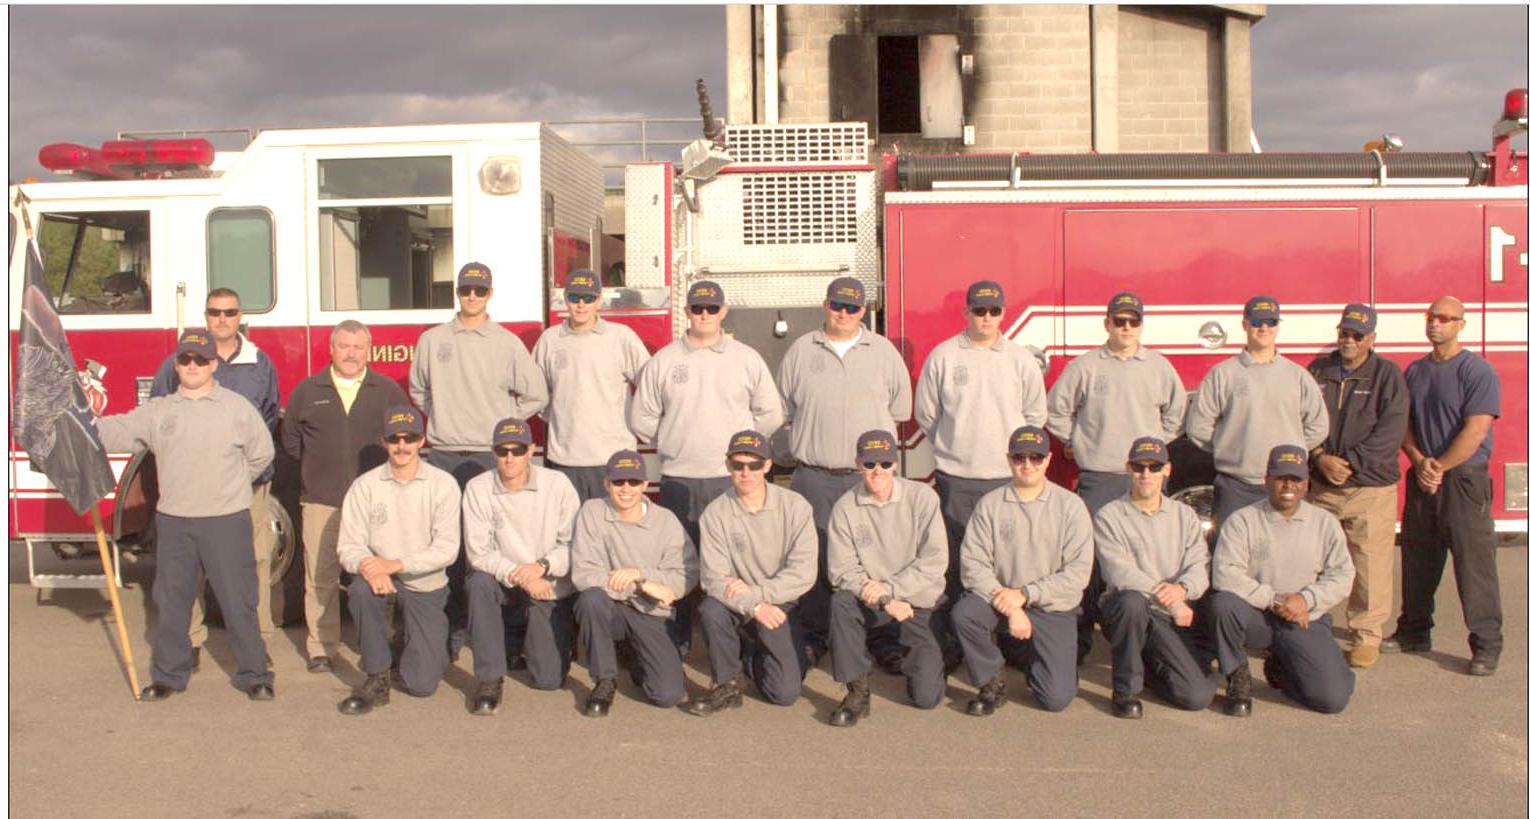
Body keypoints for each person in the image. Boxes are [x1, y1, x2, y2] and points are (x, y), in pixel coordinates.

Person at [98, 329, 275, 701]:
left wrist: (234, 484)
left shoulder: (237, 408)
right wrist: (76, 426)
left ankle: (255, 674)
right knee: (173, 602)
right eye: (185, 359)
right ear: (176, 364)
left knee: (239, 601)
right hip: (176, 521)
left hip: (226, 520)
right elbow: (115, 431)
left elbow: (262, 454)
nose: (192, 366)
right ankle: (168, 676)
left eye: (200, 359)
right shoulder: (159, 410)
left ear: (213, 364)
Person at [631, 280, 783, 653]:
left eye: (711, 309)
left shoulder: (746, 358)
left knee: (735, 564)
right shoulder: (665, 360)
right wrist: (674, 438)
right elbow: (642, 418)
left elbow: (771, 413)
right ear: (686, 312)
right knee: (676, 564)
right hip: (679, 479)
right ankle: (676, 640)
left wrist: (741, 453)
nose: (704, 315)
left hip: (730, 482)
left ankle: (741, 642)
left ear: (723, 312)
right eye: (697, 308)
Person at [409, 261, 549, 658]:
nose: (472, 296)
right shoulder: (433, 340)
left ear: (490, 294)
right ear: (457, 293)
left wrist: (504, 426)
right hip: (444, 458)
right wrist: (446, 416)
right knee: (447, 550)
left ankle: (508, 638)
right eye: (465, 289)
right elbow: (419, 391)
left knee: (501, 547)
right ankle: (450, 636)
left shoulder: (506, 343)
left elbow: (536, 394)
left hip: (493, 460)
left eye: (479, 290)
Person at [776, 276, 912, 663]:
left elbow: (901, 410)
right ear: (825, 306)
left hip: (868, 479)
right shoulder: (802, 351)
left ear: (863, 311)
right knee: (814, 559)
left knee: (878, 559)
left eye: (852, 307)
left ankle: (882, 640)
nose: (844, 313)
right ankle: (817, 637)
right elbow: (781, 408)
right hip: (814, 477)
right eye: (837, 305)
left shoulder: (883, 352)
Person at [1047, 291, 1187, 661]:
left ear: (1141, 325)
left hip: (1146, 480)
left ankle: (1149, 638)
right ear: (1107, 323)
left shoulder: (1159, 367)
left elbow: (1176, 414)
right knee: (1090, 561)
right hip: (1100, 477)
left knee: (1147, 559)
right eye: (1119, 321)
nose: (1126, 328)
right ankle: (1080, 642)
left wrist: (1153, 447)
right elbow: (1057, 410)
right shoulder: (1085, 366)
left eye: (1133, 321)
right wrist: (1076, 441)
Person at [913, 280, 1047, 649]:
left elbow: (1035, 413)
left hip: (1009, 478)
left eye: (994, 311)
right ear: (966, 312)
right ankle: (960, 639)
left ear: (1004, 313)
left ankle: (1008, 637)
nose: (987, 318)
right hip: (959, 478)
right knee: (958, 563)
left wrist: (1018, 460)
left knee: (1009, 559)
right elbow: (927, 413)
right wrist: (957, 445)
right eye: (979, 310)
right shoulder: (943, 356)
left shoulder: (1020, 358)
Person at [150, 287, 279, 667]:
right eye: (215, 312)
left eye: (230, 312)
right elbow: (158, 416)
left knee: (255, 561)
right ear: (205, 316)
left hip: (247, 487)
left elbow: (268, 420)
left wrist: (245, 472)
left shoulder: (261, 363)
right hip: (190, 487)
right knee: (187, 567)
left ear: (241, 316)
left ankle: (258, 641)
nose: (222, 319)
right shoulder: (179, 361)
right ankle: (188, 641)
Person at [1385, 296, 1504, 676]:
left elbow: (1477, 429)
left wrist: (1440, 466)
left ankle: (1486, 646)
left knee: (1474, 566)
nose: (1436, 323)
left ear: (1461, 325)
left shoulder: (1477, 371)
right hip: (1424, 476)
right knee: (1418, 560)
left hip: (1465, 481)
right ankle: (1414, 632)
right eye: (1431, 317)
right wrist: (1420, 461)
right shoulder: (1416, 372)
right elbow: (1404, 424)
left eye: (1445, 318)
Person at [281, 319, 408, 673]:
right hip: (323, 499)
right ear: (332, 349)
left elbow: (404, 440)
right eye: (344, 346)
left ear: (368, 351)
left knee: (381, 575)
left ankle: (387, 642)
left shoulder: (386, 392)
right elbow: (292, 441)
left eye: (358, 347)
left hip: (378, 503)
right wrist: (318, 468)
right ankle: (322, 648)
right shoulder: (308, 390)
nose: (351, 354)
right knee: (319, 577)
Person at [1206, 445, 1356, 716]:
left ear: (1306, 484)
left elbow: (1343, 575)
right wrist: (1273, 600)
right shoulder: (1243, 520)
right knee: (1222, 605)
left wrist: (1306, 599)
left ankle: (1282, 668)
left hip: (1303, 616)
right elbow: (1225, 573)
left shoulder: (1324, 523)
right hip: (1257, 614)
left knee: (1332, 699)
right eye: (1280, 477)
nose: (1288, 484)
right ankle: (1238, 678)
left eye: (1296, 479)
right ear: (1266, 480)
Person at [952, 426, 1092, 715]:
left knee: (1055, 699)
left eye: (1035, 457)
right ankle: (992, 681)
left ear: (1049, 460)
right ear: (1009, 459)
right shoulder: (990, 505)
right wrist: (1010, 603)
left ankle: (1035, 657)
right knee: (965, 614)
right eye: (1019, 457)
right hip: (1001, 601)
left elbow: (1077, 574)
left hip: (1051, 606)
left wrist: (1026, 595)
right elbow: (973, 563)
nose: (1027, 464)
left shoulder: (1071, 507)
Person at [335, 406, 462, 715]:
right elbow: (348, 546)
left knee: (421, 685)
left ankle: (423, 642)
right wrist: (369, 565)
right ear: (384, 441)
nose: (402, 446)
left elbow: (447, 549)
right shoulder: (365, 486)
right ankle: (376, 677)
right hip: (382, 580)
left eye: (410, 438)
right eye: (395, 439)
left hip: (425, 585)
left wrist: (395, 564)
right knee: (361, 590)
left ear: (422, 441)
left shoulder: (442, 484)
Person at [1305, 304, 1409, 669]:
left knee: (1370, 565)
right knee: (1311, 561)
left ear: (1372, 339)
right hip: (1321, 485)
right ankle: (1309, 626)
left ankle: (1366, 636)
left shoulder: (1388, 376)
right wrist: (1319, 458)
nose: (1348, 340)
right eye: (1344, 333)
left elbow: (1390, 432)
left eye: (1357, 335)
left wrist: (1345, 465)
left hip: (1369, 488)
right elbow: (1301, 418)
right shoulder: (1318, 371)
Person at [685, 430, 817, 717]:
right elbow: (712, 579)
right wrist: (753, 606)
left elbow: (803, 573)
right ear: (728, 466)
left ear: (768, 466)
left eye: (754, 465)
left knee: (784, 694)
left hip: (780, 602)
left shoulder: (795, 507)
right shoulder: (716, 513)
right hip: (739, 602)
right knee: (711, 610)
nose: (746, 472)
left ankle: (750, 655)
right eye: (738, 465)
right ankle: (726, 683)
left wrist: (757, 595)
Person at [824, 430, 949, 727]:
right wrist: (884, 599)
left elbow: (934, 561)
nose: (877, 471)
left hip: (917, 602)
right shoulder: (845, 507)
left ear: (895, 463)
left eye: (884, 463)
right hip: (874, 601)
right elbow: (841, 571)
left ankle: (915, 650)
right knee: (841, 602)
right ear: (858, 465)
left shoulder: (922, 498)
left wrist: (892, 589)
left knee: (926, 698)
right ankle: (857, 691)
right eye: (869, 464)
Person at [462, 417, 582, 715]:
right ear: (493, 452)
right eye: (503, 450)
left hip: (547, 583)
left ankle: (533, 642)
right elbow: (478, 552)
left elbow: (574, 545)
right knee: (478, 582)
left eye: (517, 449)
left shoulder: (558, 485)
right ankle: (489, 678)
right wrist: (521, 576)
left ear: (531, 450)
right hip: (504, 580)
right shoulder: (478, 488)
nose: (510, 457)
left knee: (548, 680)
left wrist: (542, 566)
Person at [1093, 437, 1215, 719]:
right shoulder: (1110, 516)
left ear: (1167, 469)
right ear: (1128, 468)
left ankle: (1150, 666)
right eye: (1138, 467)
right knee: (1131, 602)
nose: (1146, 474)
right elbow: (1119, 572)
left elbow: (1199, 564)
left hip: (1177, 612)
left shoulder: (1184, 515)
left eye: (1154, 466)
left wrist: (1184, 589)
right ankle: (1126, 690)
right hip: (1133, 611)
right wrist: (1171, 599)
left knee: (1197, 696)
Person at [571, 450, 699, 717]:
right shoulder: (592, 512)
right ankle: (605, 680)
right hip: (610, 605)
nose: (625, 489)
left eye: (633, 481)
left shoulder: (665, 521)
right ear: (606, 483)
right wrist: (638, 584)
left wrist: (639, 576)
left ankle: (636, 654)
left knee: (668, 695)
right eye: (618, 482)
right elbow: (584, 574)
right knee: (590, 600)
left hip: (651, 612)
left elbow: (685, 574)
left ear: (644, 484)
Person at [1186, 295, 1329, 530]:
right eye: (1257, 322)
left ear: (1277, 326)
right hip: (1236, 486)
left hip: (1285, 485)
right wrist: (1230, 449)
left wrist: (1292, 452)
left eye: (1270, 322)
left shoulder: (1297, 376)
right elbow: (1198, 427)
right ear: (1245, 325)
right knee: (1230, 557)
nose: (1264, 328)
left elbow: (1318, 426)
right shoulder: (1223, 374)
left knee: (1284, 559)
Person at [532, 268, 652, 503]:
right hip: (565, 460)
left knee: (613, 533)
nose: (581, 305)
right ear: (565, 299)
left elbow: (650, 387)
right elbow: (537, 393)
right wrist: (559, 417)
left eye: (588, 298)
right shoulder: (549, 340)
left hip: (614, 460)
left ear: (599, 300)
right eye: (575, 298)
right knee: (571, 534)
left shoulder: (621, 337)